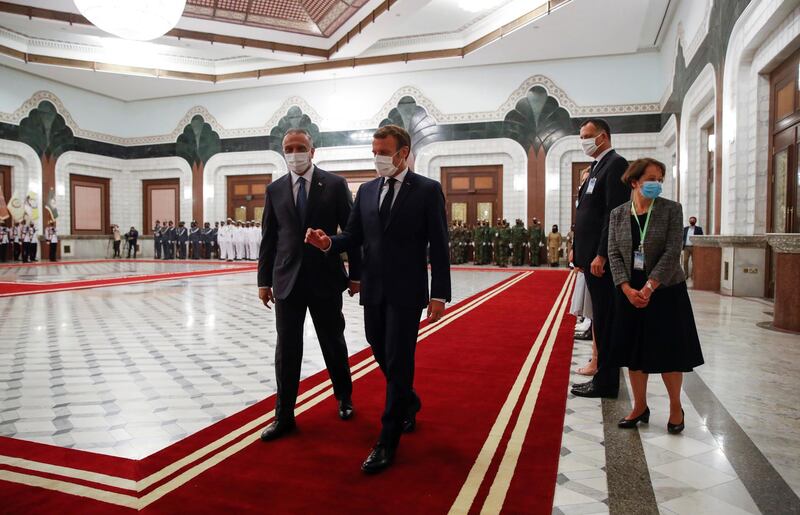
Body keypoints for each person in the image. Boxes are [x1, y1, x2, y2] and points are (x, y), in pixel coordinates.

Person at [306, 124, 451, 474]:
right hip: (373, 288)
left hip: (407, 290)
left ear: (403, 153)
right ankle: (409, 401)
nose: (378, 158)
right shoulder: (368, 190)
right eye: (374, 152)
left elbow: (439, 244)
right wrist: (329, 243)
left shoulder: (428, 190)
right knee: (378, 348)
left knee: (400, 360)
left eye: (383, 152)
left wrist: (439, 294)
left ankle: (387, 440)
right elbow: (353, 235)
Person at [257, 128, 362, 442]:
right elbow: (269, 239)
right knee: (287, 350)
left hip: (325, 279)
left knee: (333, 342)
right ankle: (284, 415)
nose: (294, 153)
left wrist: (356, 274)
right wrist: (264, 281)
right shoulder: (274, 189)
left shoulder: (334, 184)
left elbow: (352, 233)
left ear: (312, 151)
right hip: (286, 280)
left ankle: (344, 397)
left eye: (300, 147)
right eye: (288, 148)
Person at [607, 158, 704, 434]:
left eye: (660, 179)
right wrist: (626, 288)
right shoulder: (618, 214)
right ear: (635, 181)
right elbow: (614, 252)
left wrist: (650, 286)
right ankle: (640, 406)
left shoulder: (671, 210)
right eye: (651, 178)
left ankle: (675, 407)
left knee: (669, 352)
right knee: (635, 352)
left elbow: (673, 251)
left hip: (665, 290)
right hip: (630, 292)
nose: (656, 184)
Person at [571, 118, 630, 399]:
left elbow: (613, 214)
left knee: (606, 323)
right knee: (600, 322)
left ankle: (606, 383)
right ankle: (602, 378)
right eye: (581, 136)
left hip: (600, 261)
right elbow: (586, 212)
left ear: (603, 137)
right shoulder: (596, 167)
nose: (582, 141)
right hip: (588, 256)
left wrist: (601, 254)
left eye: (587, 136)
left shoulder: (615, 164)